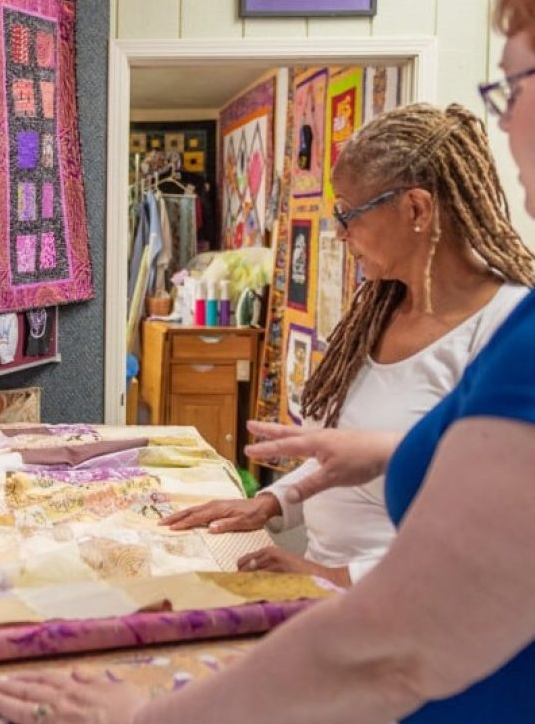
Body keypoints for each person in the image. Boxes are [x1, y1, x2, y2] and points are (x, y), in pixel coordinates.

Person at [0, 0, 535, 724]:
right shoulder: (402, 316)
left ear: (419, 210)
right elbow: (454, 473)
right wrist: (283, 495)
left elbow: (398, 642)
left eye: (515, 86)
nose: (506, 125)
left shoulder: (516, 332)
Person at [161, 102, 534, 586]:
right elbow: (343, 463)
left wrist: (337, 575)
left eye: (348, 213)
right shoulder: (377, 309)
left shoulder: (509, 330)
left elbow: (503, 529)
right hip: (327, 593)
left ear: (416, 208)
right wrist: (270, 503)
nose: (339, 233)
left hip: (412, 613)